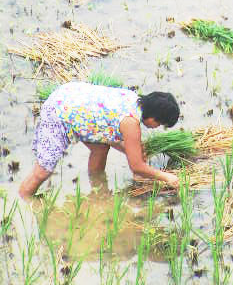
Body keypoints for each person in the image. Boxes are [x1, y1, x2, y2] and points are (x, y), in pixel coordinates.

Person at [19, 81, 180, 198]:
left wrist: (133, 153)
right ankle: (23, 199)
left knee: (100, 148)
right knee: (43, 170)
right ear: (153, 115)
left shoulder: (134, 99)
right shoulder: (130, 122)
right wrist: (166, 177)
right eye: (159, 122)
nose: (157, 126)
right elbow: (136, 166)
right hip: (60, 111)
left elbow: (108, 133)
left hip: (72, 96)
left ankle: (98, 191)